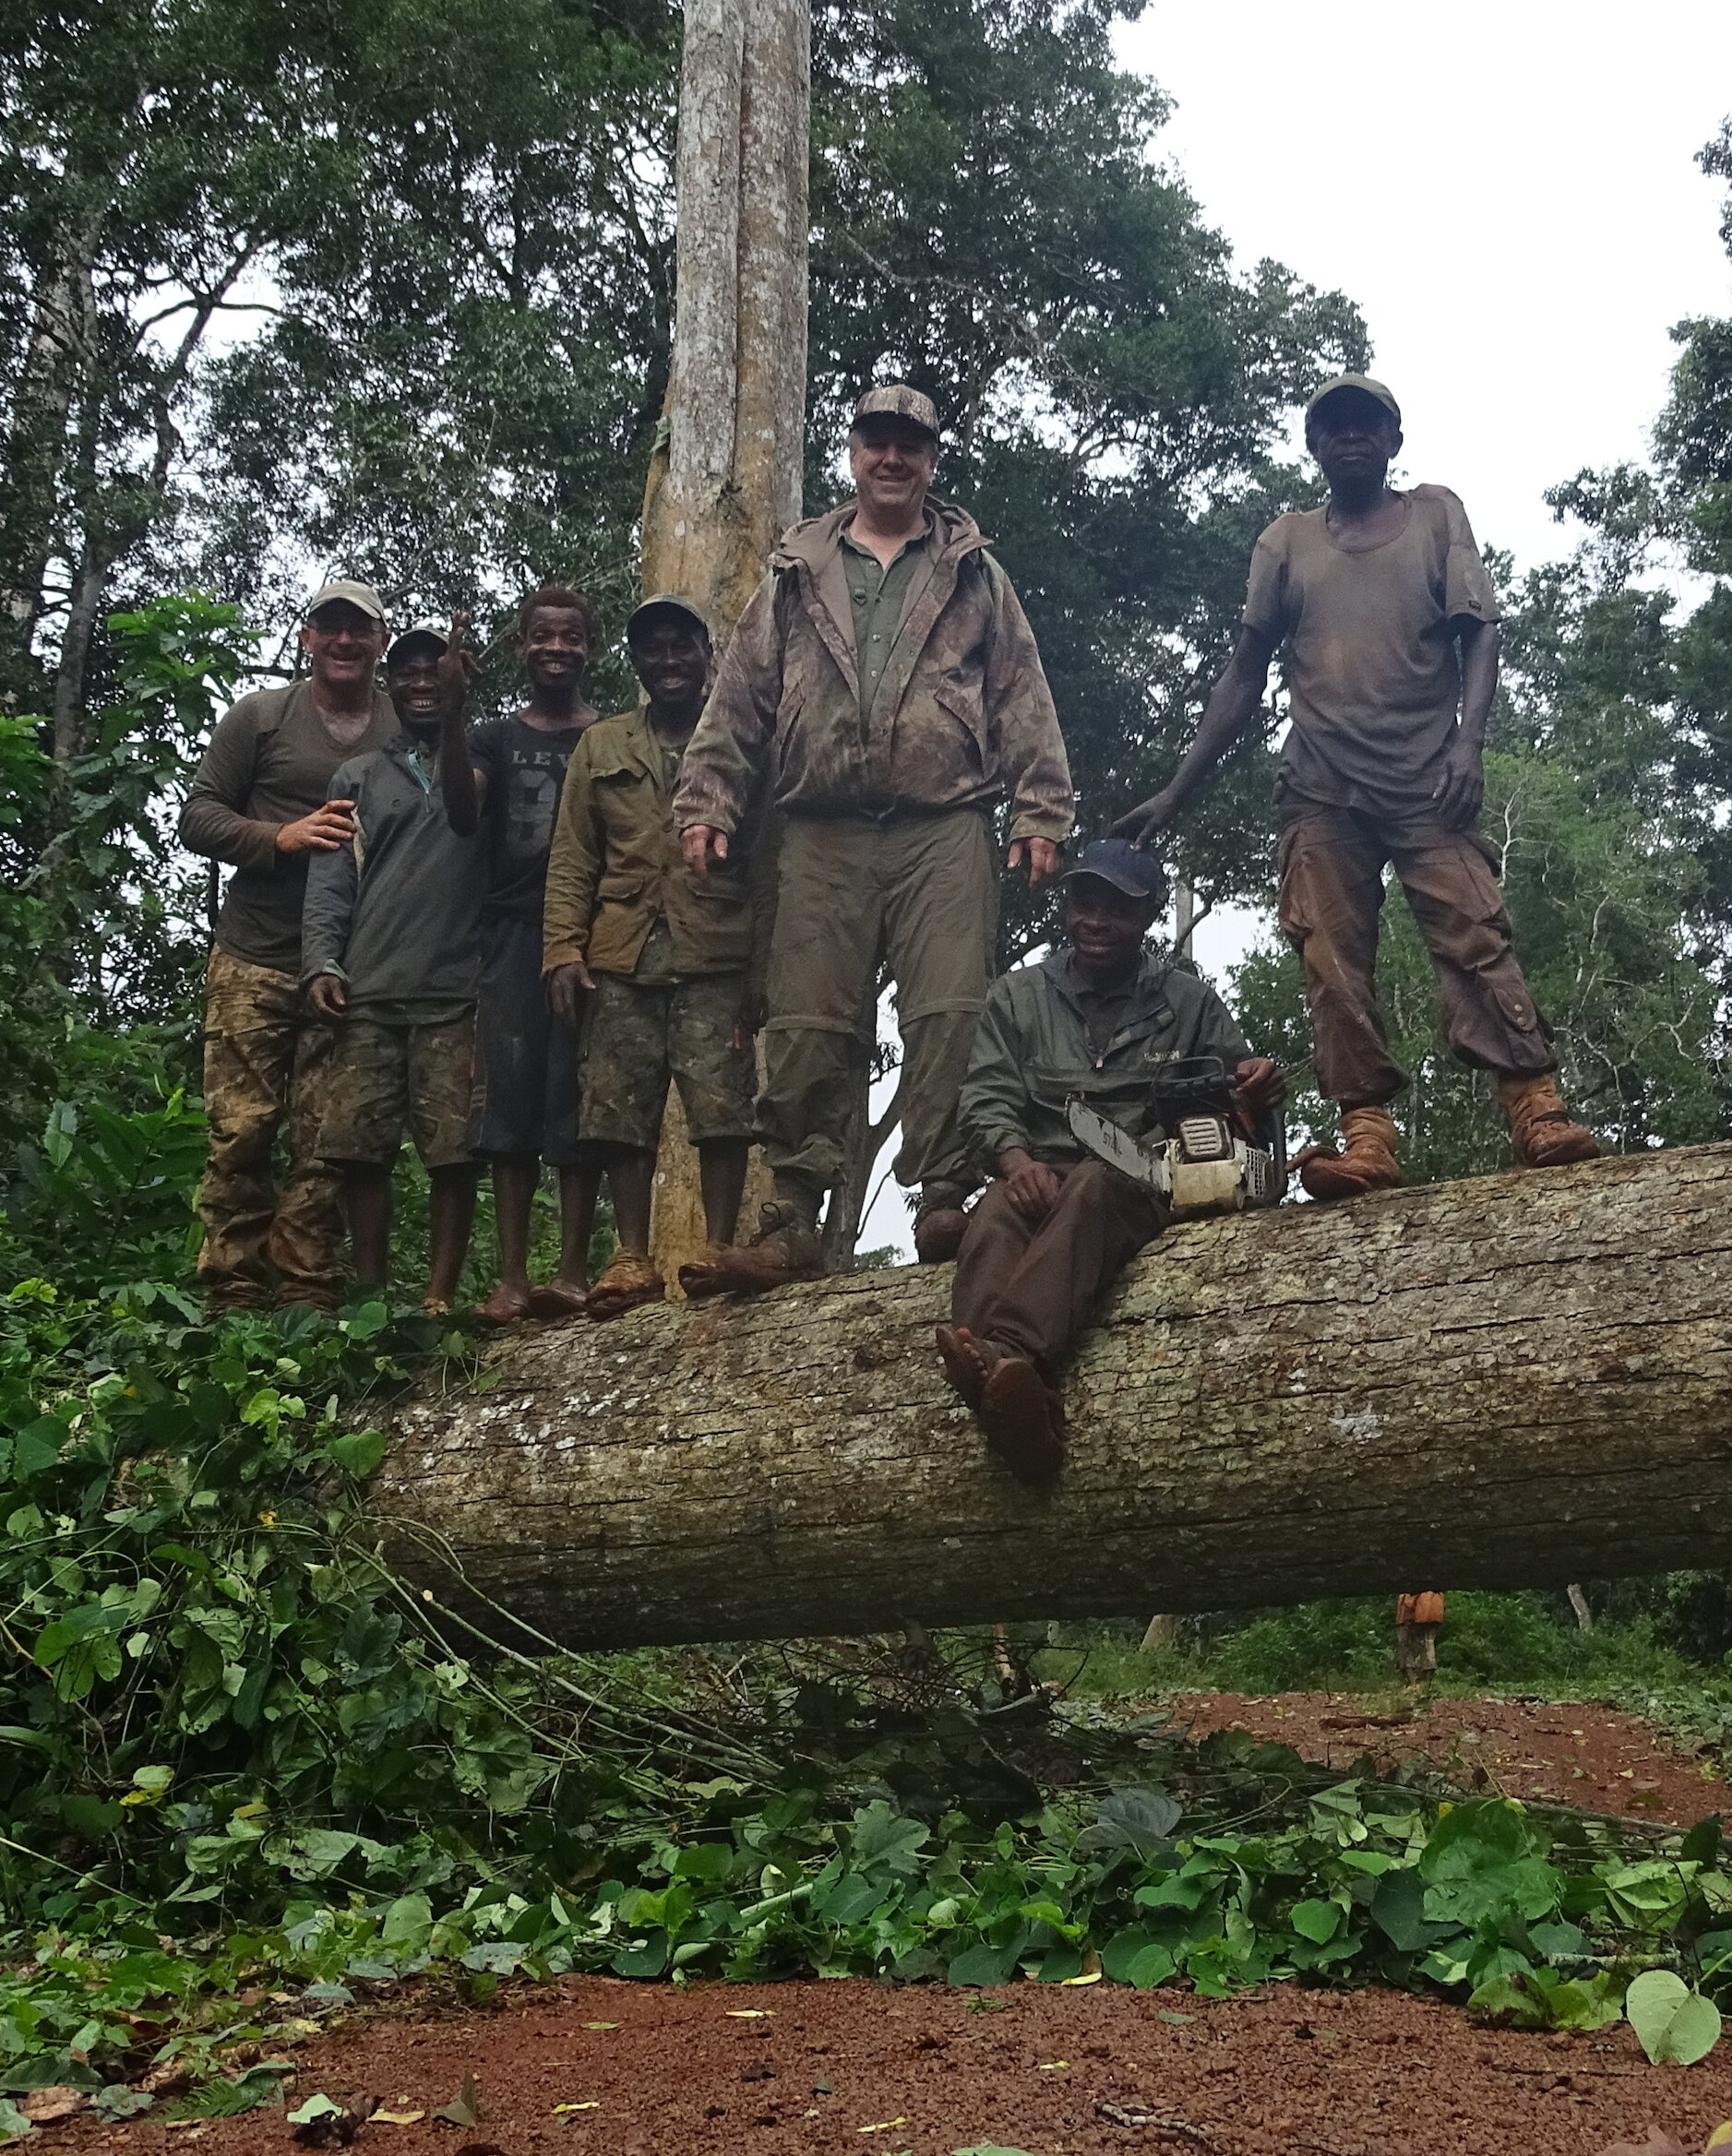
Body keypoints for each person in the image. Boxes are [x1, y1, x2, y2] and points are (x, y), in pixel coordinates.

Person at [1123, 372, 1600, 1197]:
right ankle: (1367, 1133)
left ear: (1393, 441)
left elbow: (1480, 635)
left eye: (1366, 427)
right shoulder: (1287, 543)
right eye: (1333, 428)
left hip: (1426, 780)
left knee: (1473, 929)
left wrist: (1469, 747)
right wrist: (1177, 789)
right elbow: (1244, 673)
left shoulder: (1435, 516)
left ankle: (1533, 1103)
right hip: (1322, 786)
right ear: (1314, 446)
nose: (1351, 439)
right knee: (1330, 957)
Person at [676, 380, 1075, 1282]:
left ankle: (942, 1197)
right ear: (852, 452)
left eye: (910, 444)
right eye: (876, 441)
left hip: (946, 820)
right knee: (809, 1018)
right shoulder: (796, 567)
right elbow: (738, 697)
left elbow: (1021, 692)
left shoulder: (973, 569)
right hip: (819, 828)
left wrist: (1041, 809)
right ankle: (791, 1215)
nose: (892, 458)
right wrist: (707, 800)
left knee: (949, 1010)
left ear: (931, 460)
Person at [936, 837, 1281, 1482]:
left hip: (1144, 1175)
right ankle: (1017, 1406)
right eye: (1083, 903)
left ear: (1147, 916)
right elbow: (985, 1097)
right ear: (1065, 909)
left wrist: (1256, 1080)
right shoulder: (1017, 997)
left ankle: (1005, 1354)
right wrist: (1015, 1164)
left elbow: (1237, 1083)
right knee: (993, 1214)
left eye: (1117, 910)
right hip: (1040, 1169)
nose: (1096, 921)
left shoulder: (1188, 1001)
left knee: (1095, 1184)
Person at [178, 579, 400, 1306]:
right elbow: (198, 818)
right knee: (241, 1132)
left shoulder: (401, 728)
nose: (344, 642)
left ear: (381, 641)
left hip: (350, 967)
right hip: (255, 956)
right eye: (329, 628)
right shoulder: (263, 718)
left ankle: (308, 1293)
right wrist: (281, 836)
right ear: (306, 638)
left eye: (359, 630)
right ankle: (233, 1290)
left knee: (327, 1141)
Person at [544, 595, 763, 1314]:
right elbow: (574, 856)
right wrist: (562, 951)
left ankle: (719, 1249)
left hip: (717, 951)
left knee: (721, 1107)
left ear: (708, 656)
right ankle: (632, 1259)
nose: (668, 661)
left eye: (682, 647)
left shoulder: (741, 740)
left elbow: (774, 859)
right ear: (636, 662)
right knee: (617, 1110)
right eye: (653, 650)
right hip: (622, 952)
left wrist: (768, 967)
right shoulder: (602, 746)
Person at [300, 626, 489, 1309]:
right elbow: (331, 879)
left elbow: (469, 817)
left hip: (454, 992)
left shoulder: (479, 757)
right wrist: (322, 961)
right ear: (390, 683)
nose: (419, 682)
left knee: (453, 1154)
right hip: (369, 989)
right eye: (406, 672)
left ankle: (439, 1297)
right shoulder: (358, 774)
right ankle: (371, 1297)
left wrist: (461, 714)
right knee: (357, 1151)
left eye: (433, 672)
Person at [444, 585, 601, 1323]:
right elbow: (463, 811)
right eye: (543, 636)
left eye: (571, 637)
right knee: (506, 1101)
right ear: (520, 647)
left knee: (576, 1095)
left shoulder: (607, 737)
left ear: (589, 650)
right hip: (510, 934)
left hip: (595, 940)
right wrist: (450, 713)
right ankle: (510, 1276)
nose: (557, 648)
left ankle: (571, 1270)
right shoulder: (494, 740)